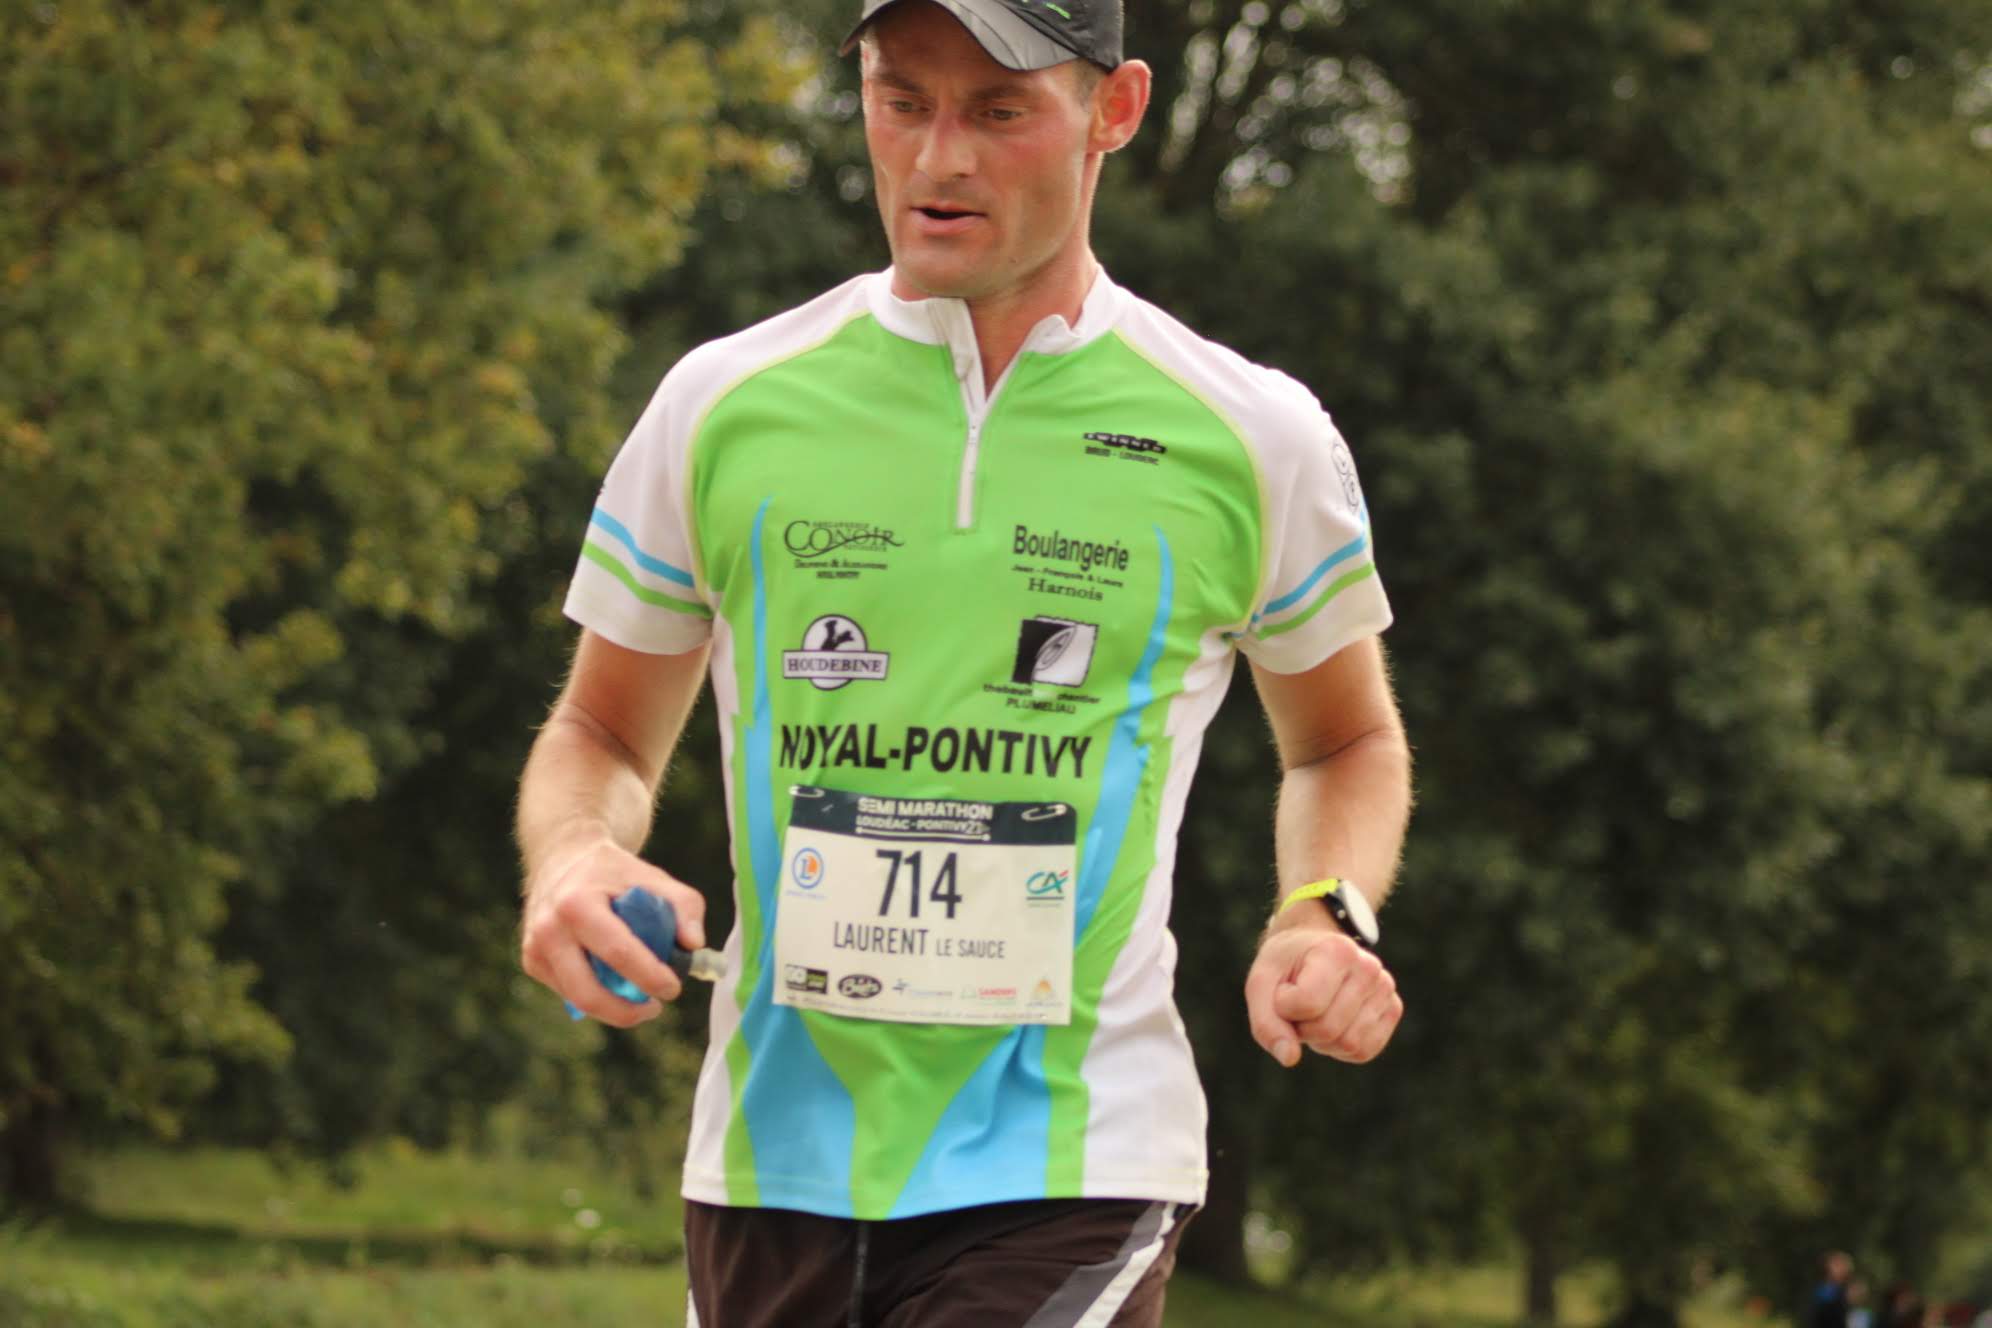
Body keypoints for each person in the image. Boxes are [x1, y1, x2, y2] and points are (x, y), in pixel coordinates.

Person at [515, 1, 1411, 1322]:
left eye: (999, 111)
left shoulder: (1250, 433)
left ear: (1113, 111)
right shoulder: (722, 403)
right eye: (902, 101)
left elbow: (1346, 742)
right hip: (771, 1163)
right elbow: (600, 734)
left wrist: (1321, 907)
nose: (939, 160)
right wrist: (574, 856)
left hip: (1078, 1158)